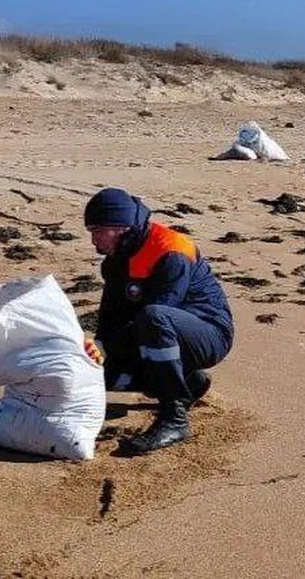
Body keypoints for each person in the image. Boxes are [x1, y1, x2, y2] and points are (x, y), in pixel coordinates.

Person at [84, 187, 234, 455]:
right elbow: (111, 317)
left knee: (153, 317)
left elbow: (159, 313)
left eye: (97, 230)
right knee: (98, 375)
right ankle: (188, 383)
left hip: (209, 334)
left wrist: (114, 345)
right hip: (157, 331)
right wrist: (100, 347)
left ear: (121, 227)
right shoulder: (115, 260)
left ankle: (174, 418)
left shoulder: (171, 251)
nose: (93, 238)